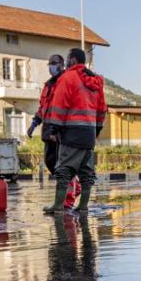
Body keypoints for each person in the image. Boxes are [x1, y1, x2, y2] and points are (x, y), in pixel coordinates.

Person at [43, 47, 106, 215]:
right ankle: (83, 206)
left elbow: (60, 104)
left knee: (63, 170)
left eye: (67, 58)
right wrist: (96, 130)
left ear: (72, 60)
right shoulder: (96, 81)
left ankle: (58, 206)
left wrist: (53, 128)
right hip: (89, 134)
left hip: (71, 134)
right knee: (86, 173)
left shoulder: (68, 77)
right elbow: (101, 109)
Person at [28, 54, 79, 210]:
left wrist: (59, 130)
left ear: (62, 64)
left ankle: (67, 199)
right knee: (51, 162)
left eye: (54, 63)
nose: (51, 66)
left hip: (61, 130)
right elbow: (43, 107)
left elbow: (66, 106)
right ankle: (73, 188)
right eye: (49, 63)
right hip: (48, 129)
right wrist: (34, 123)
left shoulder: (65, 81)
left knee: (62, 166)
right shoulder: (48, 85)